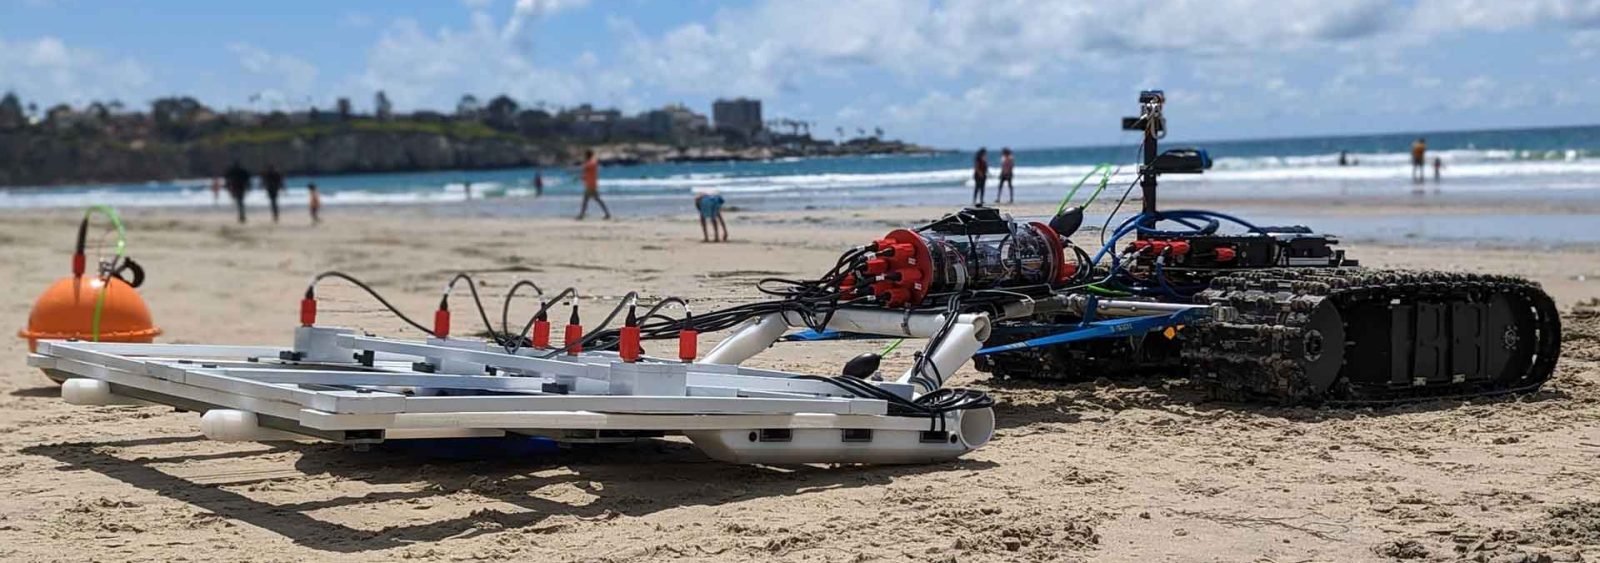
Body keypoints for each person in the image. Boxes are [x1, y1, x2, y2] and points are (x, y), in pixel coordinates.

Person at [577, 149, 611, 220]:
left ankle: (582, 215)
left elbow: (586, 169)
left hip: (591, 185)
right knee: (596, 200)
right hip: (591, 184)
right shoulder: (591, 163)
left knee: (587, 200)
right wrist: (582, 177)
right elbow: (588, 173)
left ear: (587, 155)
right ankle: (607, 214)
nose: (584, 157)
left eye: (585, 155)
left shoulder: (591, 163)